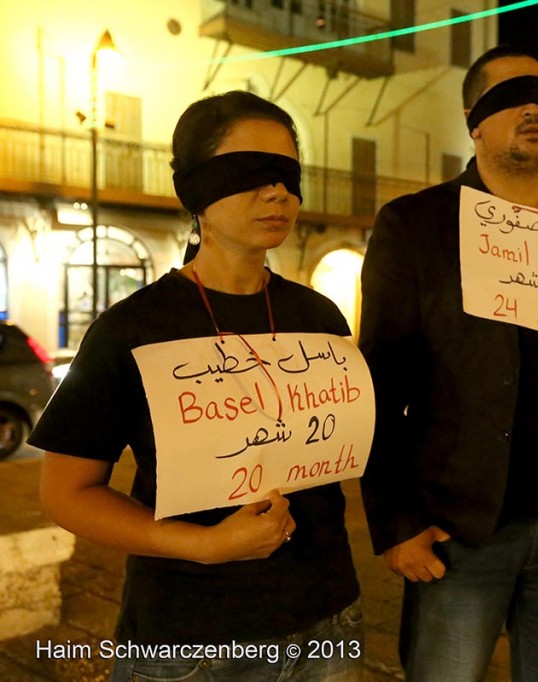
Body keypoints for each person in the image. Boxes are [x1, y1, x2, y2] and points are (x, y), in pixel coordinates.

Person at [30, 91, 364, 680]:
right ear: (196, 191)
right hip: (189, 637)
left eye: (289, 175)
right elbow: (66, 492)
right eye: (251, 173)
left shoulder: (321, 318)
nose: (277, 192)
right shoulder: (131, 329)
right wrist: (204, 544)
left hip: (323, 621)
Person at [358, 45, 538, 681]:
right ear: (475, 119)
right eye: (511, 96)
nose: (532, 110)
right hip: (461, 527)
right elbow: (379, 381)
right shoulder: (417, 225)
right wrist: (395, 520)